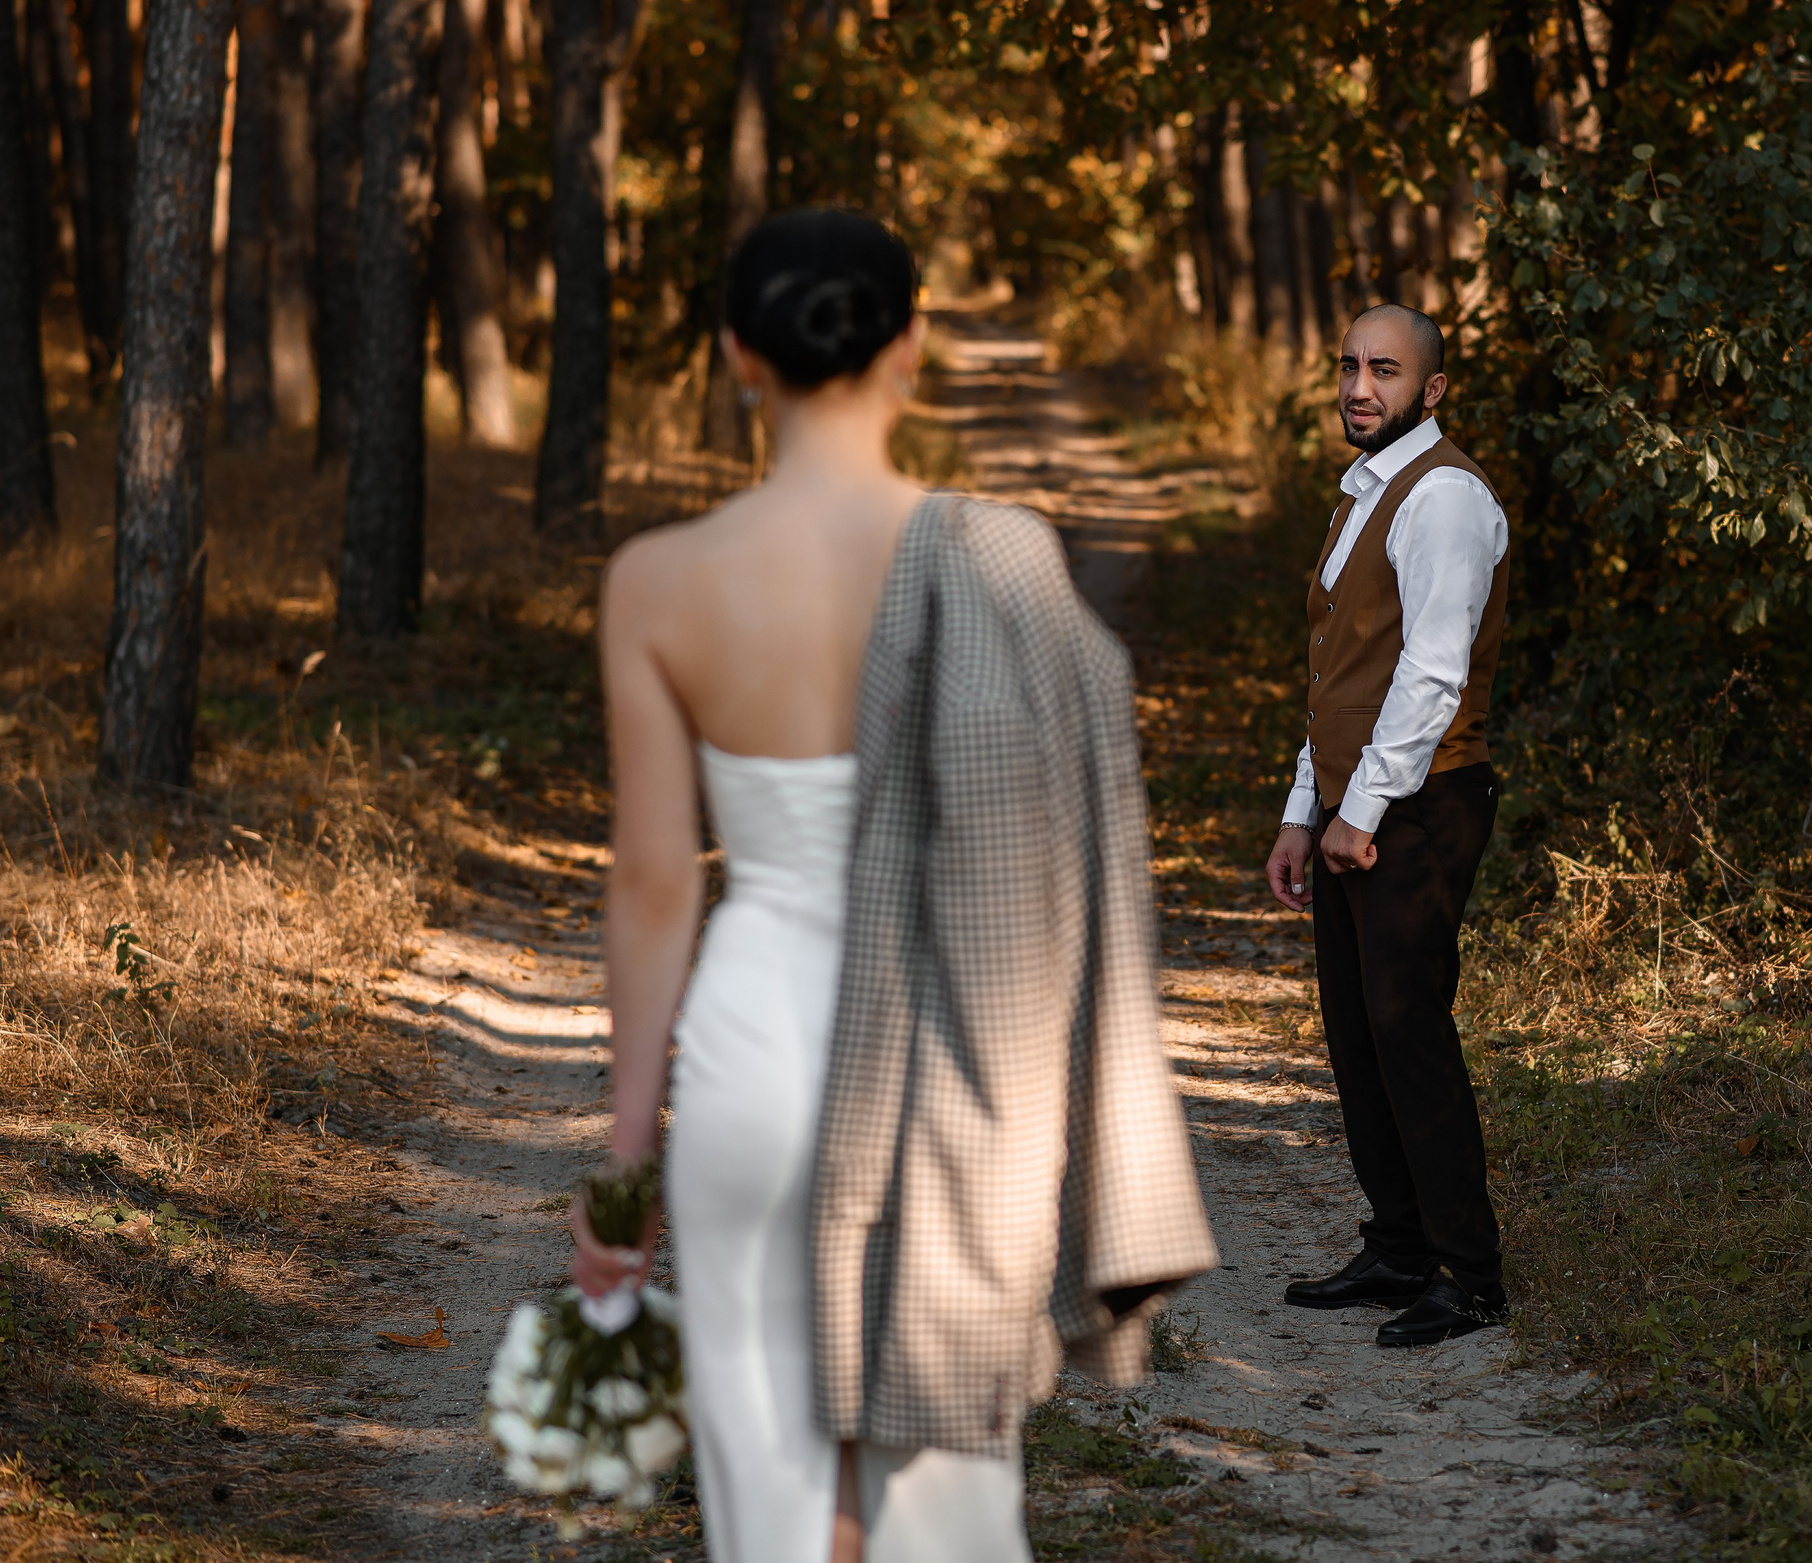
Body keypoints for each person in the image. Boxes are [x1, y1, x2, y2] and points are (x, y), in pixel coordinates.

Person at [569, 209, 1217, 1563]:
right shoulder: (1005, 563)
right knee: (940, 1495)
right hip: (954, 1057)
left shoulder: (660, 582)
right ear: (912, 343)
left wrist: (627, 1165)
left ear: (739, 355)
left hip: (755, 1062)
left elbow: (652, 886)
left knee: (773, 1488)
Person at [1264, 303, 1512, 1348]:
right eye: (1349, 366)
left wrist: (1360, 812)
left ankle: (1470, 1272)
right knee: (1357, 1031)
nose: (1360, 387)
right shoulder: (1365, 490)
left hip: (1421, 802)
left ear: (1432, 389)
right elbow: (1343, 676)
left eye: (1386, 370)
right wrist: (1303, 811)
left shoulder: (1443, 496)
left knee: (1409, 1031)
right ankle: (1401, 1246)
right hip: (1354, 800)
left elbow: (1430, 676)